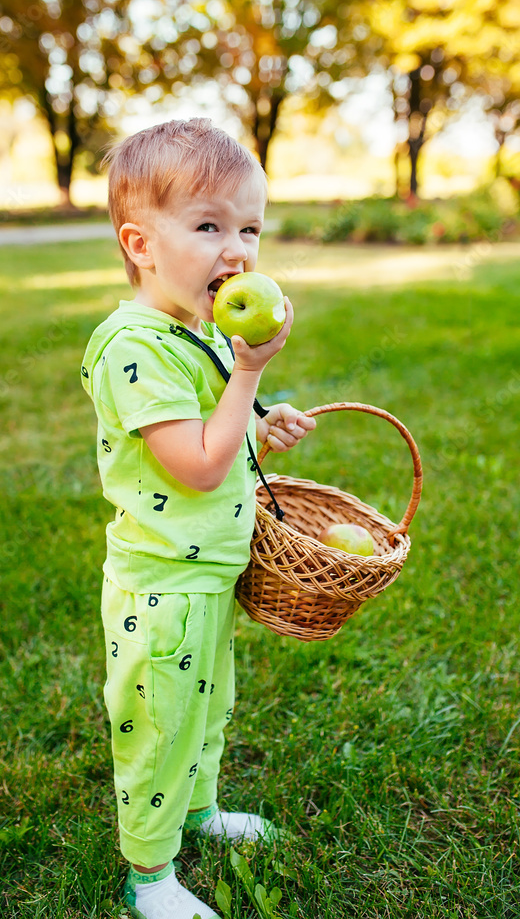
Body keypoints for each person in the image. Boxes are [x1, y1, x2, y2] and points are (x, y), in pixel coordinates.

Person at [81, 118, 316, 919]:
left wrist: (258, 415)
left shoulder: (193, 335)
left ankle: (199, 812)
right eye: (209, 225)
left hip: (206, 573)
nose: (238, 250)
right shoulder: (131, 347)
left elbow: (211, 431)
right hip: (163, 589)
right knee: (160, 729)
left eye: (248, 227)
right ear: (140, 244)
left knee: (206, 709)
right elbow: (197, 465)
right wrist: (248, 375)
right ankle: (149, 878)